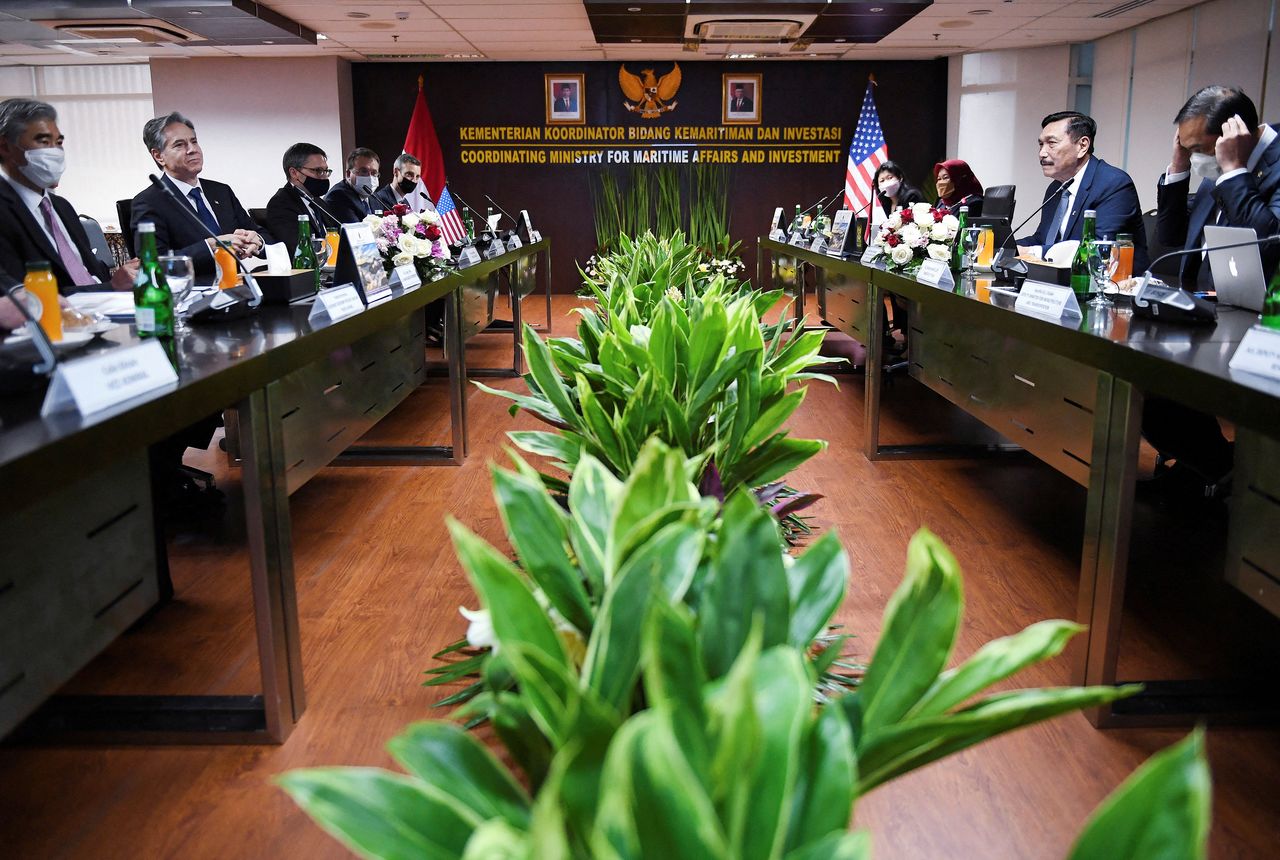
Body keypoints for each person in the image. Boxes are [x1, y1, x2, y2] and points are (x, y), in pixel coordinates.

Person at [0, 98, 138, 293]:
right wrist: (110, 288)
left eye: (58, 142)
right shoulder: (4, 210)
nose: (55, 152)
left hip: (106, 311)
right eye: (44, 141)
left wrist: (123, 275)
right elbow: (23, 299)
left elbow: (91, 274)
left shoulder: (61, 206)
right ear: (5, 147)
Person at [1156, 85, 1280, 286]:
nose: (1195, 158)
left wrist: (1234, 170)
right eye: (1189, 149)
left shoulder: (1231, 162)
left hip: (1259, 312)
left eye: (1197, 149)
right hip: (1197, 302)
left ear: (1231, 132)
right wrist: (1180, 164)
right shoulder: (1216, 163)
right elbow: (1171, 235)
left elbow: (1267, 248)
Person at [129, 111, 269, 277]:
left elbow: (263, 235)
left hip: (238, 290)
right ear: (159, 156)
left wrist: (258, 242)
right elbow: (153, 263)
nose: (192, 150)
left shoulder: (221, 192)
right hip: (191, 295)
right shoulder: (149, 202)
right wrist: (210, 246)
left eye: (194, 142)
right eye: (179, 145)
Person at [1017, 111, 1149, 270]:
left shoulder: (1113, 184)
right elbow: (1043, 240)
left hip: (1112, 288)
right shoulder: (1055, 188)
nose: (1042, 153)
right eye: (1040, 144)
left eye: (1051, 143)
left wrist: (1031, 252)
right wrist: (1006, 247)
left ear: (1082, 146)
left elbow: (1098, 250)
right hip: (1061, 285)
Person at [265, 142, 340, 256]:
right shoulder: (281, 203)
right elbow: (299, 249)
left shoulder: (318, 202)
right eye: (318, 171)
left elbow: (339, 234)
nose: (324, 176)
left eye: (326, 171)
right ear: (294, 173)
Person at [324, 147, 380, 225]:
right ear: (348, 174)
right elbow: (356, 233)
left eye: (374, 173)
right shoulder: (338, 196)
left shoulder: (374, 197)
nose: (370, 177)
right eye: (363, 171)